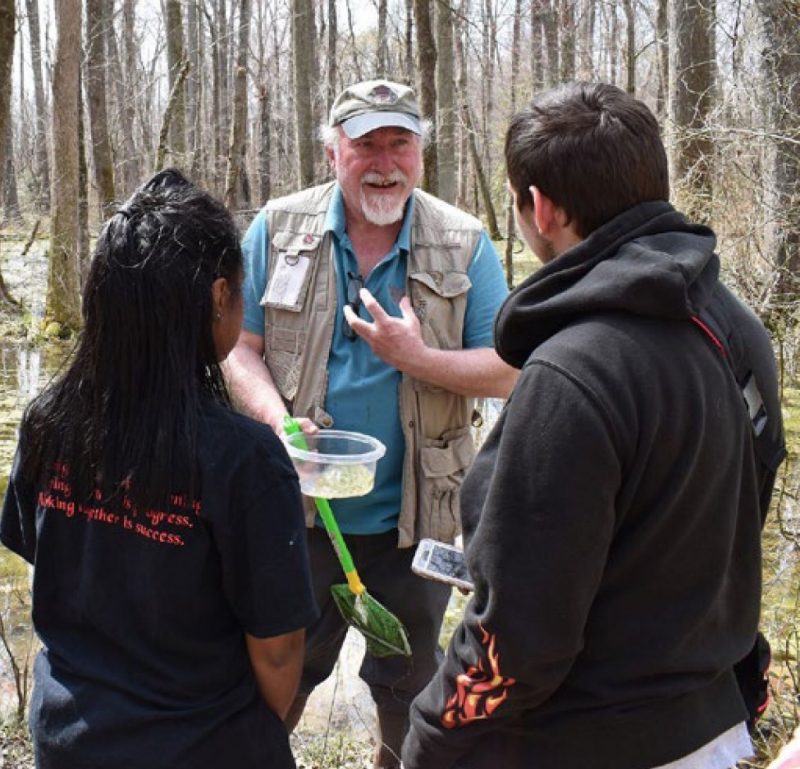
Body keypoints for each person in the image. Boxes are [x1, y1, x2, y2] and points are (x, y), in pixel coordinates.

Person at [402, 82, 786, 769]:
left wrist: (433, 732)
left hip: (589, 741)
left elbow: (517, 640)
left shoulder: (573, 374)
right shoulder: (736, 329)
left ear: (541, 207)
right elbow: (719, 518)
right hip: (713, 729)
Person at [225, 79, 517, 768]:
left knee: (406, 683)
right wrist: (275, 420)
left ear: (421, 152)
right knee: (278, 674)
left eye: (400, 142)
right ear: (333, 153)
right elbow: (238, 345)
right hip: (299, 513)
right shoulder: (276, 227)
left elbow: (509, 367)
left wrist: (416, 357)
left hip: (415, 525)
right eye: (365, 145)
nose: (384, 160)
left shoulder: (464, 241)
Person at [0, 170, 319, 769]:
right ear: (220, 296)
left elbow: (51, 559)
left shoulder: (48, 419)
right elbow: (279, 655)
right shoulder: (245, 459)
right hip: (204, 746)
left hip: (70, 739)